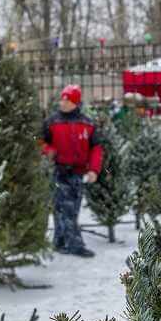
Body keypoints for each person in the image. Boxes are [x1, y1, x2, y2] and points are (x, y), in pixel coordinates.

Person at [40, 85, 103, 258]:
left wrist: (94, 170)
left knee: (71, 208)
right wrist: (48, 150)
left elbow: (96, 149)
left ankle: (59, 242)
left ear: (75, 102)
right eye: (62, 98)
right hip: (58, 171)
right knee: (63, 207)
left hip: (78, 172)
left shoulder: (87, 124)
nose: (63, 102)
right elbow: (40, 142)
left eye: (67, 99)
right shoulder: (52, 122)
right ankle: (75, 244)